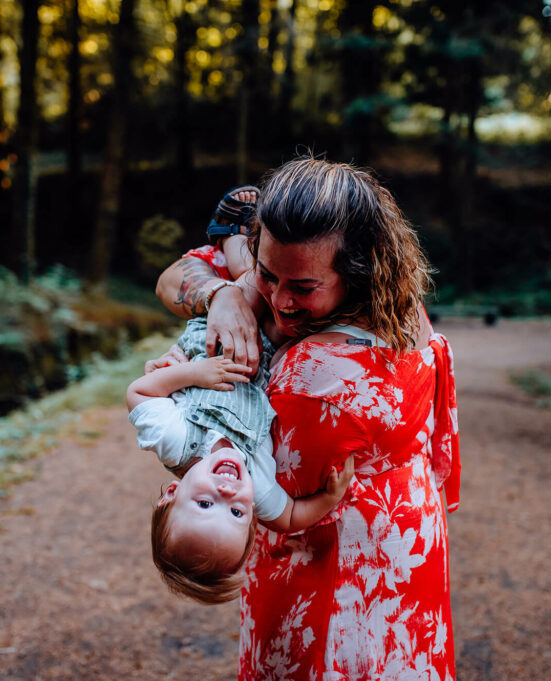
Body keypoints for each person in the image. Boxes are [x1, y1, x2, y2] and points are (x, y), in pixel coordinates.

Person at [156, 158, 461, 679]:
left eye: (301, 287)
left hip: (337, 564)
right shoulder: (381, 293)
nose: (279, 299)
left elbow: (240, 474)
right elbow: (171, 279)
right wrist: (224, 294)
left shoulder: (316, 379)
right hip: (411, 531)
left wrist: (182, 399)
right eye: (268, 275)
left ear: (361, 269)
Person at [126, 317, 355, 606]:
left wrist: (192, 373)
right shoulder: (257, 486)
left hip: (214, 340)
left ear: (172, 494)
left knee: (248, 285)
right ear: (252, 519)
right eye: (236, 512)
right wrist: (330, 497)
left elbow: (139, 393)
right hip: (268, 355)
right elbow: (290, 518)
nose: (227, 493)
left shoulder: (176, 442)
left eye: (205, 504)